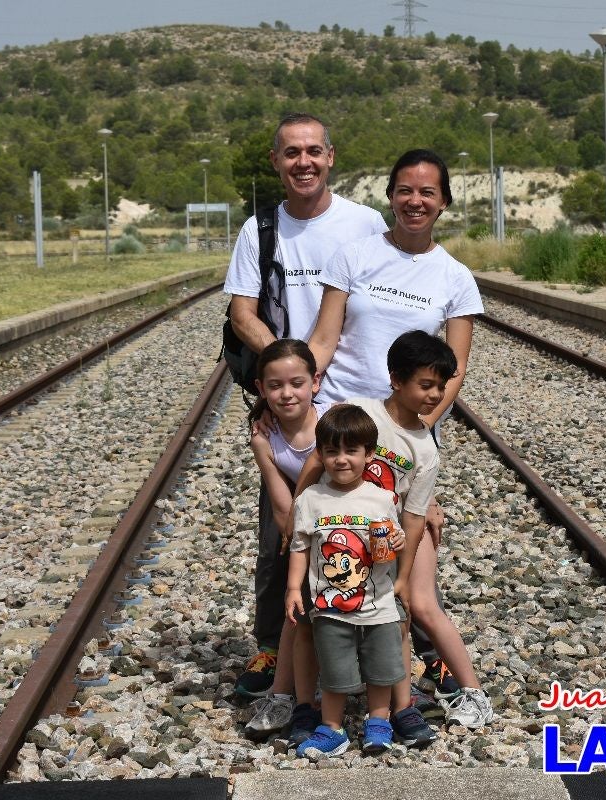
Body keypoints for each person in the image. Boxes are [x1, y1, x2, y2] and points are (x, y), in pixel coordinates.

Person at [305, 149, 490, 724]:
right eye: (405, 190)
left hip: (403, 439)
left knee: (405, 577)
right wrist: (289, 399)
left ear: (444, 203)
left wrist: (410, 443)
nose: (415, 201)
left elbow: (452, 373)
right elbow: (324, 340)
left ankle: (433, 692)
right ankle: (310, 698)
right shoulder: (355, 254)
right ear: (391, 195)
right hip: (339, 436)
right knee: (321, 571)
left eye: (428, 192)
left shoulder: (454, 278)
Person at [224, 112, 387, 700]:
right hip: (292, 410)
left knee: (372, 529)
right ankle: (274, 644)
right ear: (276, 162)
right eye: (291, 153)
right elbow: (243, 312)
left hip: (356, 405)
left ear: (331, 156)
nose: (303, 162)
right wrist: (287, 373)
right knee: (283, 531)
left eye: (313, 151)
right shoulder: (259, 230)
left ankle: (386, 652)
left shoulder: (366, 224)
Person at [296, 332, 495, 734]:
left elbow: (416, 517)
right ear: (396, 380)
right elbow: (317, 463)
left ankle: (471, 693)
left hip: (394, 534)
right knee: (305, 609)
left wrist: (403, 575)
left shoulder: (425, 449)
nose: (436, 394)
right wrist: (295, 515)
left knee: (417, 604)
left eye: (441, 386)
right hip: (340, 527)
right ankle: (294, 699)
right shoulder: (361, 412)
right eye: (426, 384)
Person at [286, 404, 408, 758]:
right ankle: (332, 727)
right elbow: (299, 547)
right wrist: (294, 588)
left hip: (379, 602)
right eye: (331, 451)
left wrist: (397, 542)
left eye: (351, 450)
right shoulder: (310, 499)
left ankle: (379, 722)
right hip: (328, 606)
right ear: (321, 455)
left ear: (368, 454)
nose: (342, 460)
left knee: (382, 668)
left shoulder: (382, 498)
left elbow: (391, 545)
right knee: (335, 670)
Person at [241, 340, 323, 744]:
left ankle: (393, 692)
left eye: (296, 383)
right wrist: (298, 545)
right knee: (299, 604)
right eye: (275, 386)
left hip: (352, 522)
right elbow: (280, 504)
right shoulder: (264, 438)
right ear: (261, 388)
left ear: (315, 383)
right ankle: (285, 695)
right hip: (306, 525)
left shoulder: (331, 421)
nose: (286, 393)